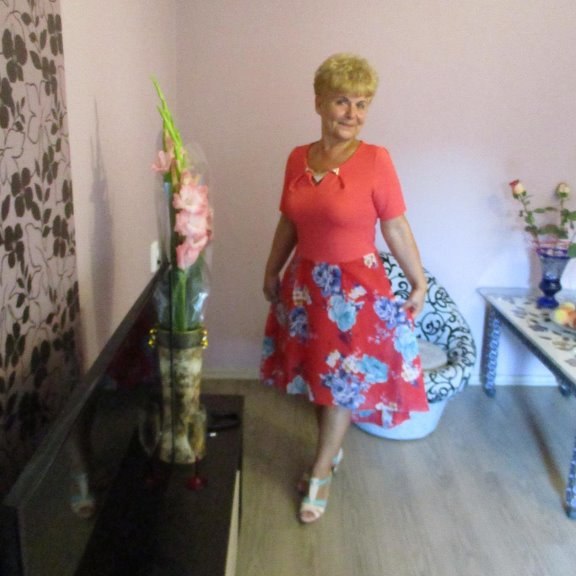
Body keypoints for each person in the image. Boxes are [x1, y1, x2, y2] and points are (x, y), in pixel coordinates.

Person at [260, 53, 429, 524]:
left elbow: (395, 226)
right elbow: (289, 222)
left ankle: (320, 471)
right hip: (305, 286)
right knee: (319, 379)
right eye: (342, 101)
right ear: (319, 103)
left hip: (354, 293)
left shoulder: (376, 160)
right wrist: (272, 270)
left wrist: (418, 280)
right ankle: (330, 452)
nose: (352, 113)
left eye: (362, 103)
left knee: (339, 386)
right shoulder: (297, 157)